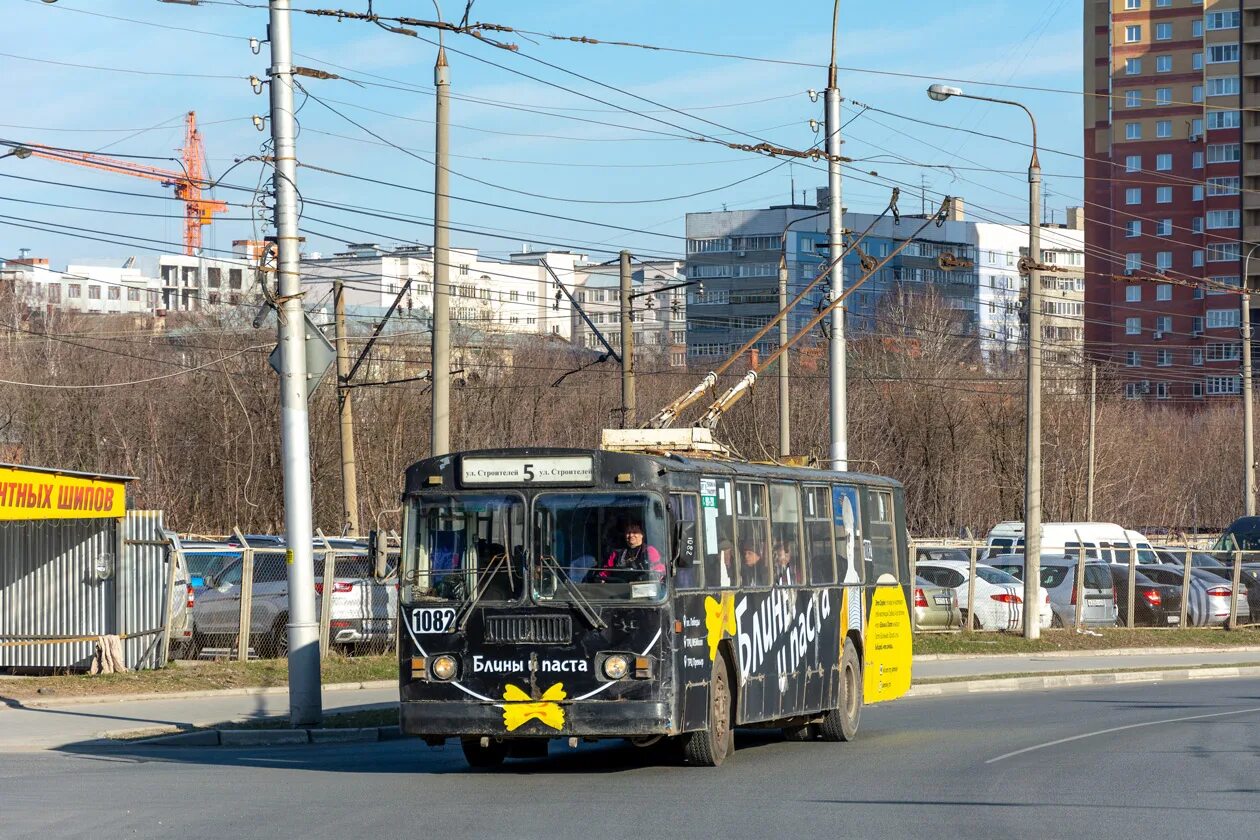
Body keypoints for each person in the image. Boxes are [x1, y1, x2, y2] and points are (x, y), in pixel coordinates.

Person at [590, 521, 665, 582]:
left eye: (635, 532)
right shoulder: (616, 553)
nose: (631, 535)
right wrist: (600, 578)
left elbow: (659, 570)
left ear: (642, 535)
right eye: (628, 532)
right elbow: (606, 571)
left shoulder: (649, 550)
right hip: (618, 589)